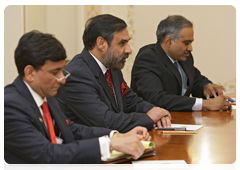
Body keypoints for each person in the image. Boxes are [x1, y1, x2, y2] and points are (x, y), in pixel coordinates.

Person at [4, 30, 152, 170]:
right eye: (55, 72)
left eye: (62, 70)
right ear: (30, 73)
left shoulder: (45, 95)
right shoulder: (9, 106)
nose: (62, 79)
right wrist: (109, 144)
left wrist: (116, 135)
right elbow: (48, 154)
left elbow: (71, 129)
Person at [56, 14, 171, 133]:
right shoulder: (77, 74)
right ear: (101, 43)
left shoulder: (112, 66)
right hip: (91, 147)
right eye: (122, 43)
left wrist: (156, 111)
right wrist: (148, 118)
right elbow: (105, 121)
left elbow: (131, 101)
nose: (129, 50)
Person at [131, 15, 232, 112]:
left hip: (182, 120)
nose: (190, 48)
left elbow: (195, 79)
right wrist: (205, 104)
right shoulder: (148, 58)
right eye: (186, 43)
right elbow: (158, 98)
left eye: (191, 43)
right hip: (153, 124)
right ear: (169, 41)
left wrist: (205, 87)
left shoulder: (184, 57)